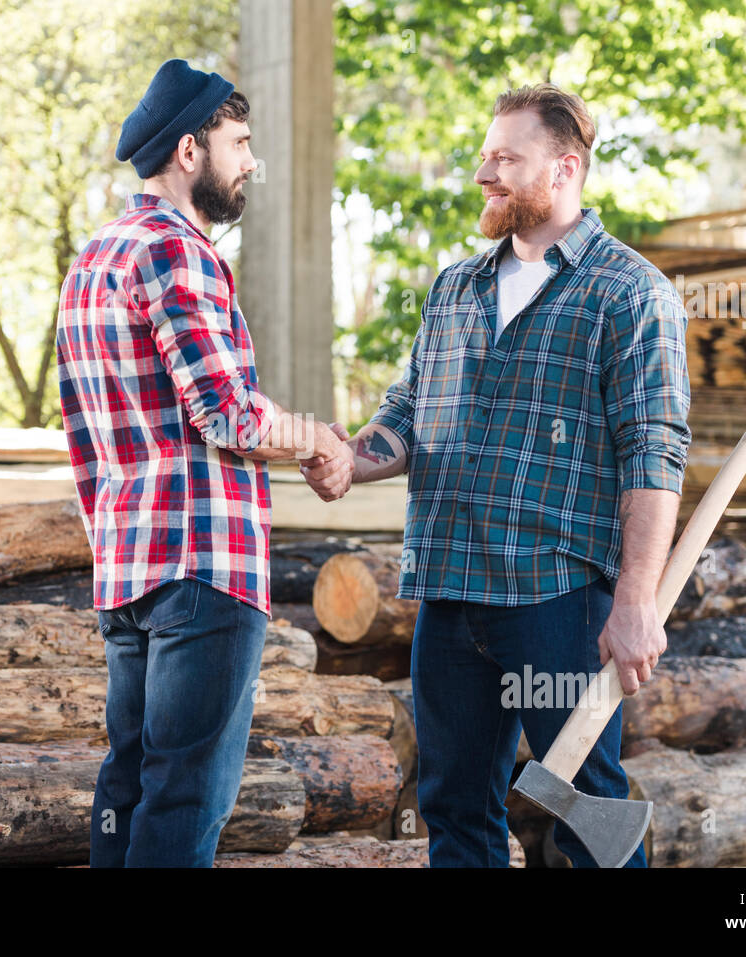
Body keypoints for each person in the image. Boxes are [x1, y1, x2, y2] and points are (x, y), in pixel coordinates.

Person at [304, 83, 691, 867]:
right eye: (485, 155)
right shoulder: (455, 290)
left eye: (506, 158)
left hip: (556, 600)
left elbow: (655, 454)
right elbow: (407, 418)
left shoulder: (630, 291)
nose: (485, 173)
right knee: (452, 808)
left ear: (565, 168)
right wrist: (353, 457)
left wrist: (636, 601)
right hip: (449, 593)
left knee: (588, 813)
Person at [55, 58, 354, 868]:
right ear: (191, 151)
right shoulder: (176, 253)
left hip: (128, 571)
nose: (251, 161)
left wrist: (111, 548)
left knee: (128, 788)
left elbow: (85, 439)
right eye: (240, 142)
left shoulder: (92, 260)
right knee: (187, 800)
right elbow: (226, 413)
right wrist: (320, 438)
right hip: (202, 568)